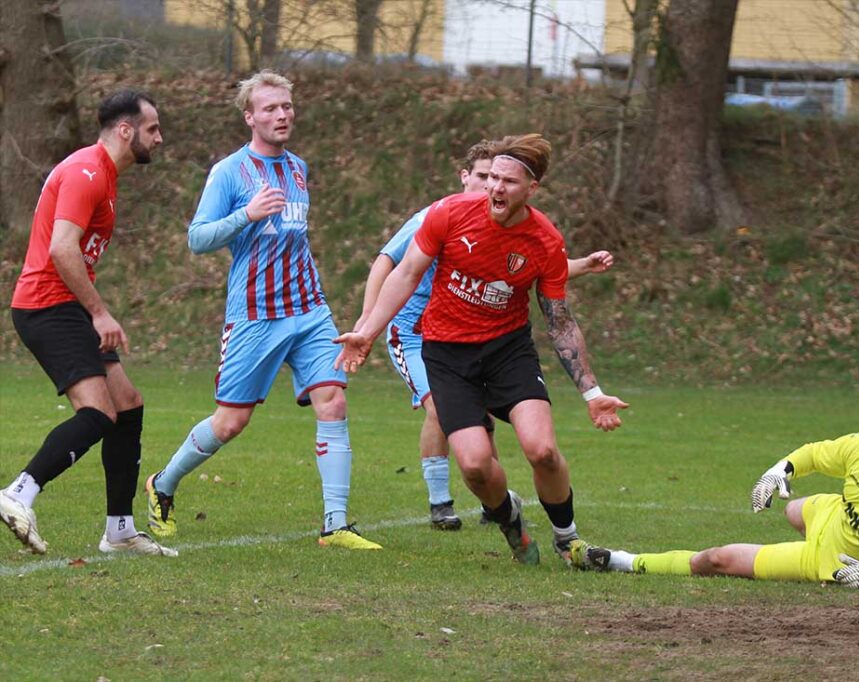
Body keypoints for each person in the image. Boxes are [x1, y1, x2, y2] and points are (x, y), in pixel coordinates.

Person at [337, 133, 628, 565]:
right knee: (474, 465)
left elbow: (559, 319)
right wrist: (369, 329)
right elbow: (405, 273)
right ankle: (510, 519)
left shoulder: (544, 240)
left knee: (542, 451)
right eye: (492, 177)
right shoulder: (448, 213)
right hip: (447, 354)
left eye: (508, 181)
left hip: (507, 352)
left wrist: (592, 392)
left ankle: (568, 541)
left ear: (531, 189)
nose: (495, 187)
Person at [143, 70, 380, 550]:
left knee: (333, 400)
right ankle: (162, 484)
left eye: (287, 106)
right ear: (250, 117)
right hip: (254, 314)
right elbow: (197, 238)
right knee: (231, 422)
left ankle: (335, 525)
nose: (282, 114)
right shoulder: (229, 172)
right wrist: (246, 215)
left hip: (310, 311)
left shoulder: (298, 168)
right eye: (270, 108)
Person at [1, 90, 176, 557]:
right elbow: (62, 249)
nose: (160, 138)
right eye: (152, 129)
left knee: (128, 404)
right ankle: (19, 493)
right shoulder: (86, 172)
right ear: (126, 130)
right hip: (47, 305)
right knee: (99, 414)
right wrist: (99, 313)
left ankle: (119, 531)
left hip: (65, 305)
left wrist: (93, 310)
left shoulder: (103, 174)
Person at [571, 407, 859, 591]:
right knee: (793, 509)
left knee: (716, 558)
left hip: (827, 561)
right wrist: (778, 471)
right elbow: (815, 454)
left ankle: (618, 560)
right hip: (828, 515)